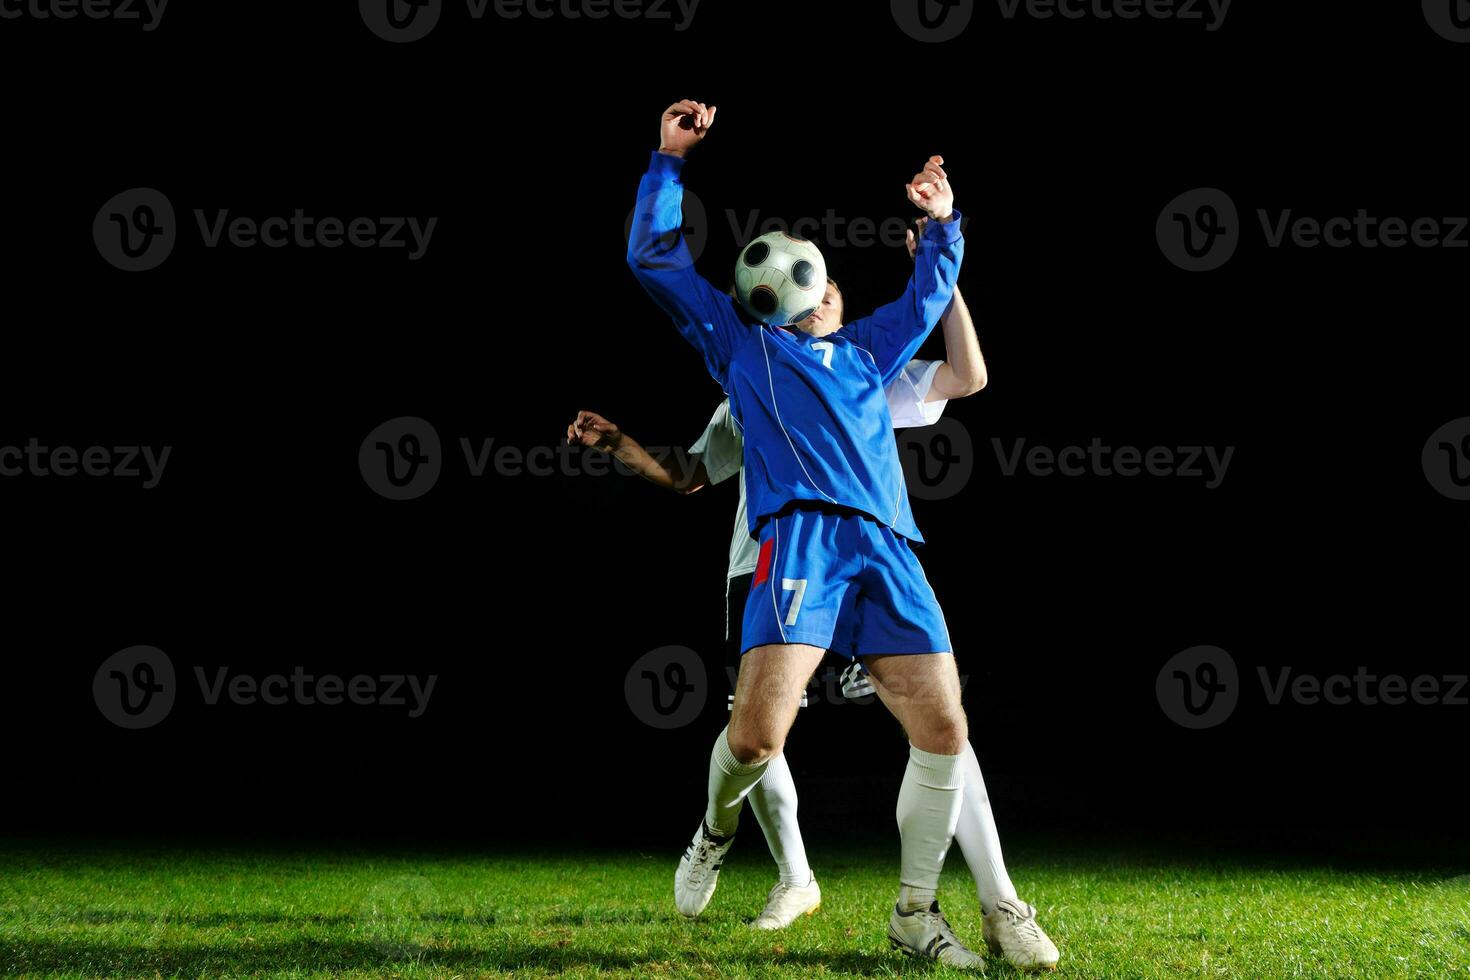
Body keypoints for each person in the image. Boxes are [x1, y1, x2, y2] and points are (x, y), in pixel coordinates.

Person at [625, 97, 1004, 968]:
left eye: (825, 277)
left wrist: (942, 222)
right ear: (769, 296)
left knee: (945, 729)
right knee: (756, 739)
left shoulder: (871, 355)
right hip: (798, 546)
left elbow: (933, 300)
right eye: (804, 278)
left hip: (887, 546)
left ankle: (917, 912)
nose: (819, 286)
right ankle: (716, 831)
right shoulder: (746, 350)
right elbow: (655, 259)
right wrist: (668, 162)